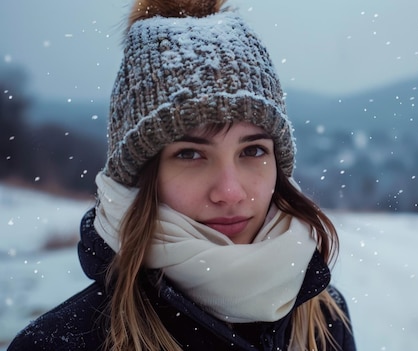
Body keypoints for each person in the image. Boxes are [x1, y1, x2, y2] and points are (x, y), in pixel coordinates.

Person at [8, 0, 356, 350]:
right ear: (140, 176)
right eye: (190, 154)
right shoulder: (61, 343)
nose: (230, 192)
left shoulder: (324, 321)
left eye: (252, 151)